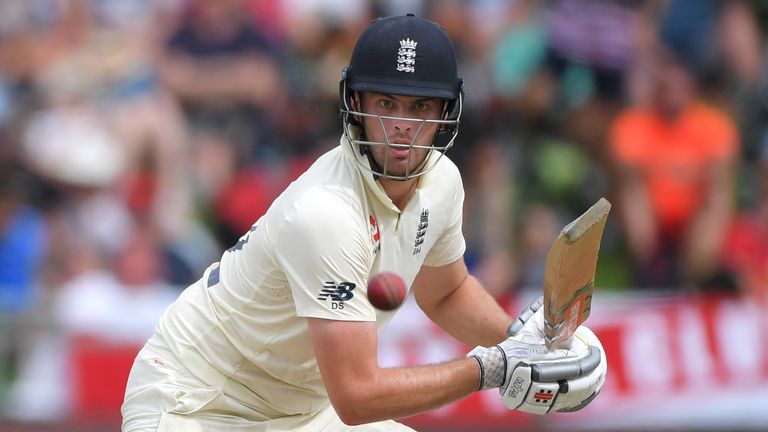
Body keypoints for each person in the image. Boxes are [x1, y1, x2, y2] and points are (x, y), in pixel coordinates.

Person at [121, 14, 606, 431]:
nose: (402, 127)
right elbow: (356, 397)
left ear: (445, 113)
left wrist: (521, 341)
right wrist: (493, 369)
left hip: (299, 410)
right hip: (195, 401)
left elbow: (447, 292)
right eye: (386, 103)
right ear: (357, 103)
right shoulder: (326, 214)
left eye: (419, 107)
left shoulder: (442, 182)